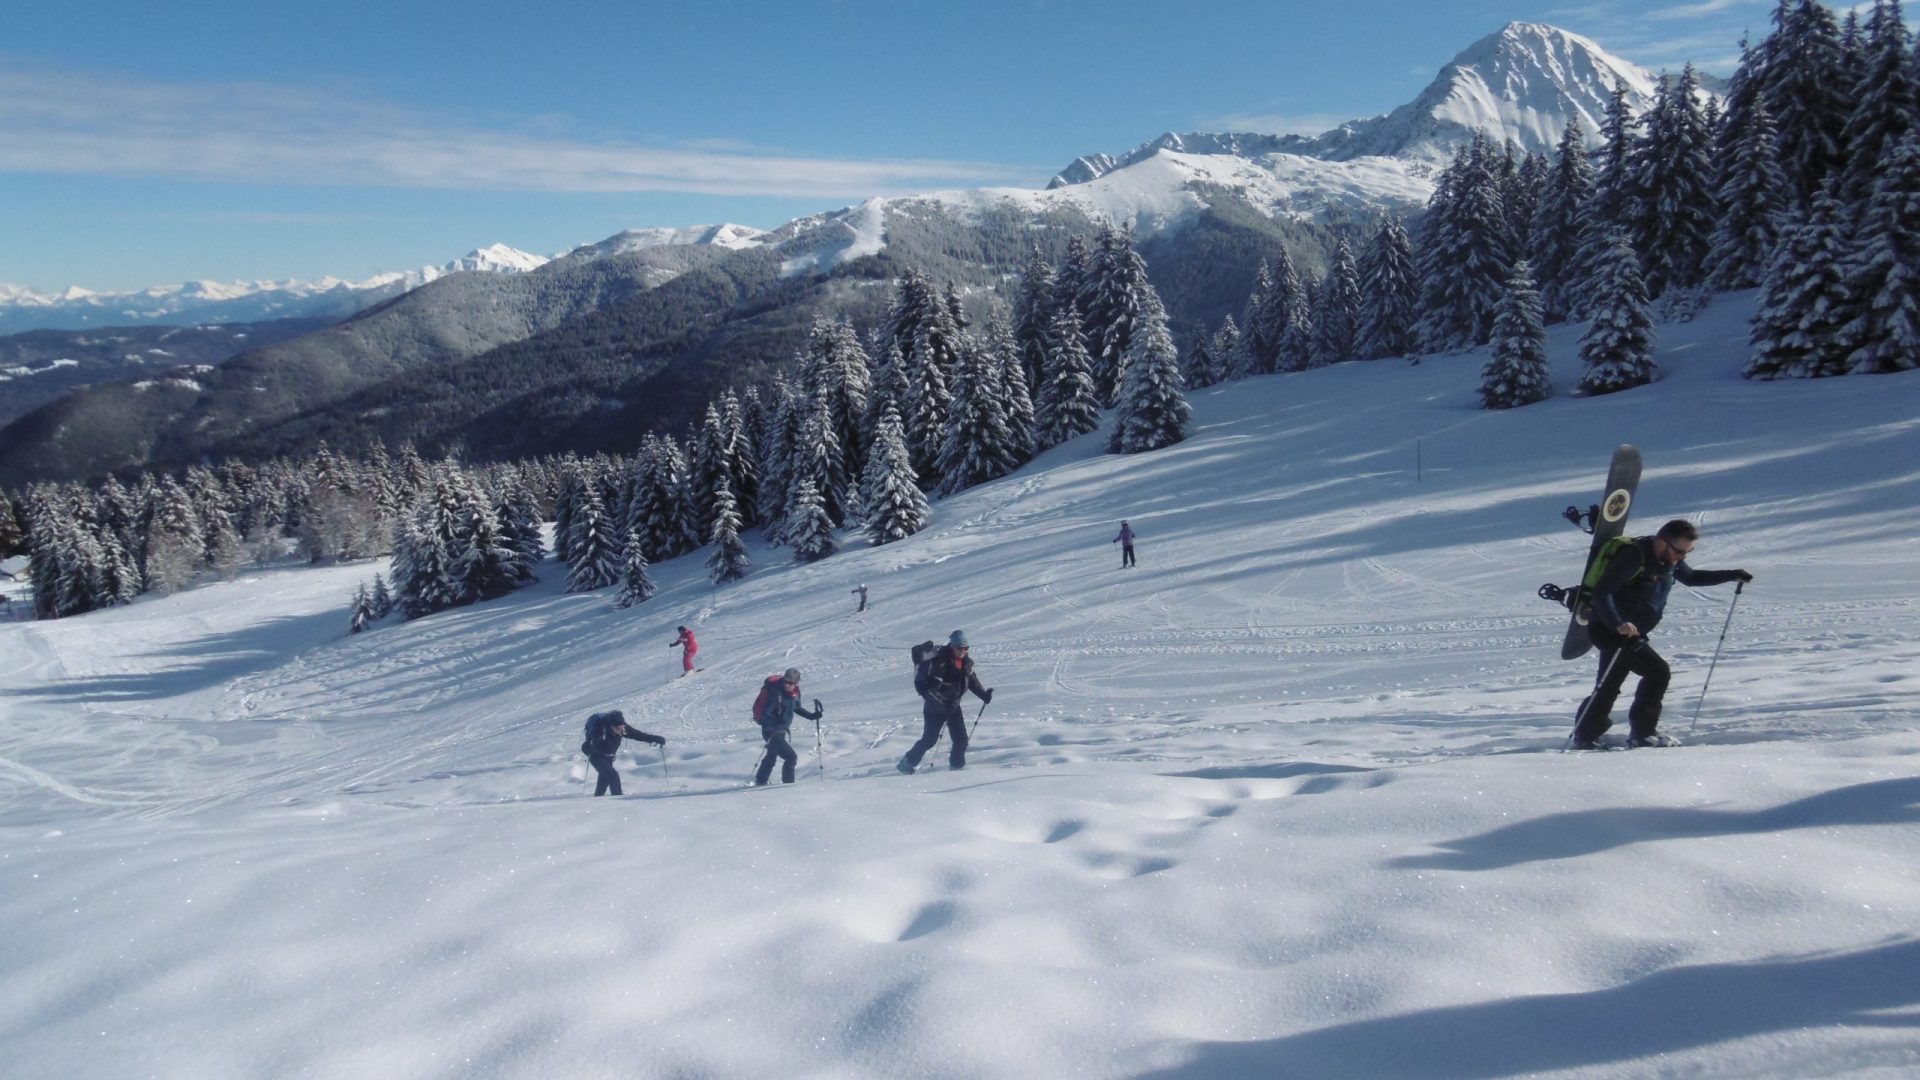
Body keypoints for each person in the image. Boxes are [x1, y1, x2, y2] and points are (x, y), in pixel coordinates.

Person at [1572, 519, 1751, 749]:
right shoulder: (1634, 556)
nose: (1683, 557)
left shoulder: (1669, 560)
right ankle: (1643, 734)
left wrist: (1731, 575)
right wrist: (1618, 623)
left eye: (1688, 551)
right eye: (1680, 551)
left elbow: (1692, 578)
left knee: (1609, 683)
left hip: (1628, 632)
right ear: (1662, 541)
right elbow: (1602, 592)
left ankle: (1586, 735)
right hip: (1611, 629)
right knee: (1658, 672)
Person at [898, 630, 993, 774]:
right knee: (929, 740)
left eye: (966, 648)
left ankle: (956, 769)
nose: (962, 651)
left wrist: (984, 695)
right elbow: (930, 690)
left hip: (953, 706)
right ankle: (906, 763)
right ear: (952, 646)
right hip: (934, 709)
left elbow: (972, 681)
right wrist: (943, 703)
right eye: (959, 648)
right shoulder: (941, 663)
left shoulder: (966, 663)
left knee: (961, 740)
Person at [753, 667, 823, 785]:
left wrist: (812, 716)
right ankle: (788, 785)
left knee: (771, 757)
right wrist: (775, 724)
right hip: (770, 732)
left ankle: (760, 781)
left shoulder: (795, 693)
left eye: (791, 683)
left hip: (781, 731)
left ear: (796, 683)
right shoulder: (776, 693)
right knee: (791, 757)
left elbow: (797, 708)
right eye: (785, 681)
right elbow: (765, 714)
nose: (787, 685)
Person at [581, 709, 665, 796]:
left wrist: (654, 738)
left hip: (609, 757)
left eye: (622, 727)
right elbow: (589, 746)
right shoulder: (599, 730)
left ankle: (597, 799)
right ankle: (619, 802)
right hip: (597, 757)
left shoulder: (622, 727)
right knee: (613, 776)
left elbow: (637, 735)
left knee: (604, 778)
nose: (621, 730)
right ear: (610, 726)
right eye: (618, 728)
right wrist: (590, 749)